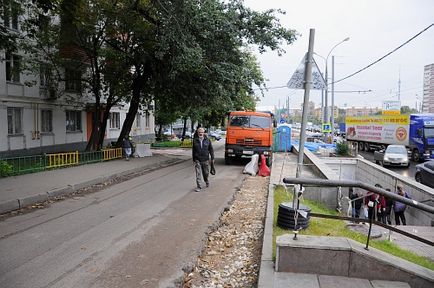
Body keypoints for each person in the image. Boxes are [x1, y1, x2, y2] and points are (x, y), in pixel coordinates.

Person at [192, 127, 214, 192]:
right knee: (198, 174)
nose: (200, 133)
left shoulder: (208, 140)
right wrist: (194, 159)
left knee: (206, 173)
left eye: (201, 132)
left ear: (204, 133)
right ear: (197, 133)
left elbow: (211, 149)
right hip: (197, 159)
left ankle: (206, 180)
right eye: (199, 132)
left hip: (205, 159)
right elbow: (193, 150)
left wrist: (212, 158)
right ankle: (199, 186)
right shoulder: (195, 140)